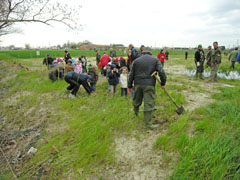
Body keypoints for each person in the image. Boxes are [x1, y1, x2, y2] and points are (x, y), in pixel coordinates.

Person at [128, 50, 167, 129]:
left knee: (136, 100)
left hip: (138, 83)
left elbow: (131, 74)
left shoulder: (136, 61)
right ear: (151, 54)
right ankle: (148, 124)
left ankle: (136, 114)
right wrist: (163, 83)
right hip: (149, 84)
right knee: (148, 103)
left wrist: (129, 86)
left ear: (142, 54)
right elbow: (162, 72)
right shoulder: (155, 60)